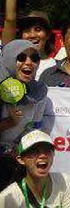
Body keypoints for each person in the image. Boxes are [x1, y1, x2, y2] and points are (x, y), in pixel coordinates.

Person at [0, 40, 51, 190]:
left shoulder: (39, 92)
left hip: (18, 161)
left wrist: (21, 148)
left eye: (34, 58)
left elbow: (34, 127)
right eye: (21, 57)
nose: (28, 63)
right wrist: (9, 122)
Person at [2, 0, 58, 78]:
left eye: (38, 29)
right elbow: (10, 19)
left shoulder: (59, 69)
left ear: (48, 34)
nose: (32, 35)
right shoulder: (10, 61)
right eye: (27, 30)